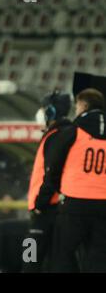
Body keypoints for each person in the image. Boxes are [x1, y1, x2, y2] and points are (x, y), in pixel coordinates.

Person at [48, 88, 106, 272]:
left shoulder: (70, 132)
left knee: (56, 254)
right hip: (102, 205)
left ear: (84, 105)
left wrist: (52, 192)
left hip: (69, 204)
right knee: (97, 257)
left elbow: (52, 166)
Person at [23, 91, 72, 272]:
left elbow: (52, 174)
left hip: (45, 211)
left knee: (30, 262)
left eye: (44, 109)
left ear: (50, 112)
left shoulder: (55, 137)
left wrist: (39, 202)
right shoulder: (65, 134)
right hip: (57, 209)